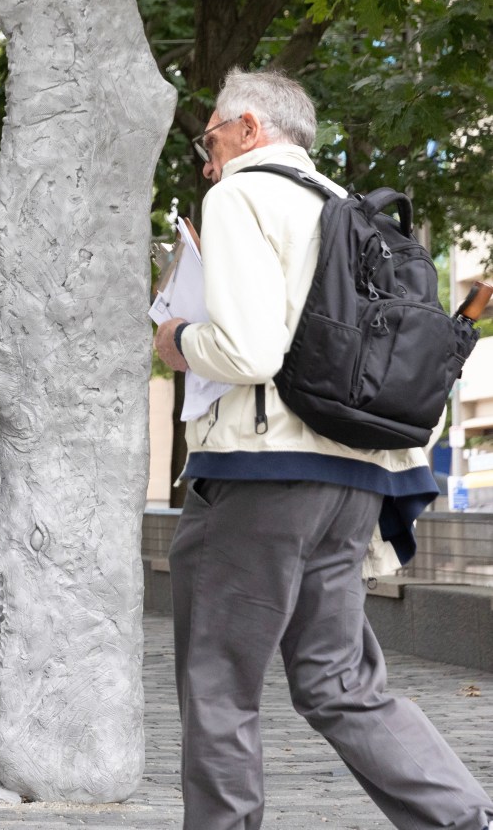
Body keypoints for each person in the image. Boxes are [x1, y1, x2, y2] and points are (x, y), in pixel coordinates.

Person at [154, 69, 493, 830]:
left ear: (247, 127)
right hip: (353, 480)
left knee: (219, 684)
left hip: (256, 478)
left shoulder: (240, 195)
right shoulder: (350, 208)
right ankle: (463, 820)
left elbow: (247, 353)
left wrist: (178, 340)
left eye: (210, 138)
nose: (207, 158)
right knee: (341, 682)